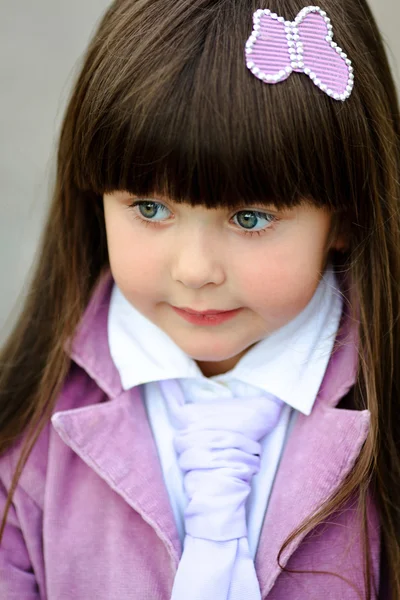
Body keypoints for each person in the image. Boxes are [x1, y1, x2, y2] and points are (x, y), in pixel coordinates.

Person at [0, 0, 399, 597]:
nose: (195, 271)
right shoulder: (25, 437)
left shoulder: (386, 420)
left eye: (249, 216)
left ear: (344, 215)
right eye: (150, 208)